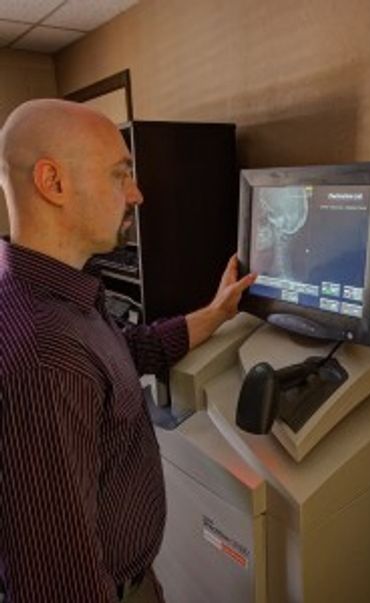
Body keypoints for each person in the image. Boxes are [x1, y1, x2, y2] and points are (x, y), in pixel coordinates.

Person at [0, 99, 256, 603]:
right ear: (54, 183)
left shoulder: (49, 294)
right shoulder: (47, 357)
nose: (137, 194)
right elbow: (57, 584)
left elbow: (127, 347)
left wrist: (216, 312)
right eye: (120, 173)